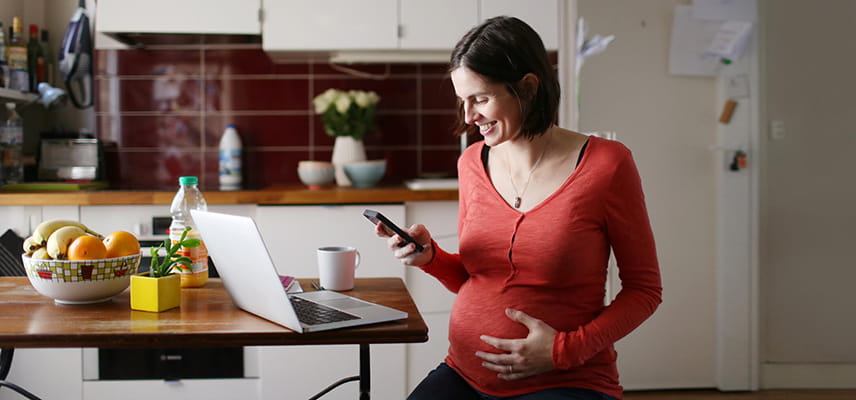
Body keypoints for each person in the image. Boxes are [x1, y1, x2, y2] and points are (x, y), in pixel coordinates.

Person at [373, 16, 662, 400]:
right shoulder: (472, 162)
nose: (468, 117)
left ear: (527, 87)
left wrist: (563, 350)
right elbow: (478, 278)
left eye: (480, 98)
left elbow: (645, 291)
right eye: (462, 101)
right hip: (463, 375)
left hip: (566, 380)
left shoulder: (607, 164)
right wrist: (430, 258)